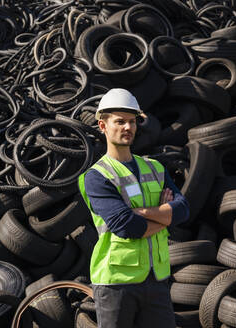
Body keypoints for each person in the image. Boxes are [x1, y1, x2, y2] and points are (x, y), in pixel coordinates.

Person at [78, 88, 190, 328]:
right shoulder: (97, 176)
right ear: (102, 126)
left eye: (132, 122)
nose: (127, 128)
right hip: (116, 283)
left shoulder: (155, 167)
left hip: (156, 279)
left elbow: (182, 210)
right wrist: (162, 215)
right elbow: (126, 226)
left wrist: (144, 213)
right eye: (119, 122)